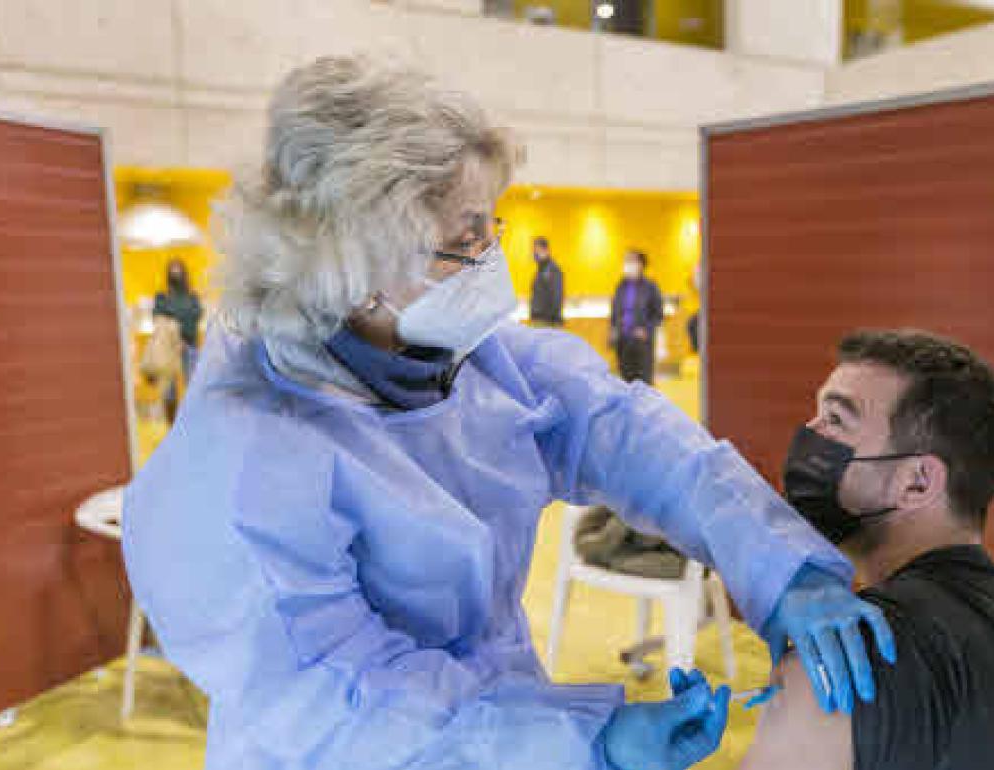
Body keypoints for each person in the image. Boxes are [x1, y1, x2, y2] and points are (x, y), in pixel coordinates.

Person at [121, 55, 894, 770]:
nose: (492, 260)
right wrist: (585, 738)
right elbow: (349, 705)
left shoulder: (472, 361)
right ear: (357, 269)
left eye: (491, 226)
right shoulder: (246, 464)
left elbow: (637, 440)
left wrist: (786, 570)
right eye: (464, 240)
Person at [741, 329, 994, 770]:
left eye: (837, 420)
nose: (809, 434)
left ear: (917, 482)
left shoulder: (836, 667)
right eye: (817, 415)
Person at [153, 258, 203, 422]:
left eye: (178, 270)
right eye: (172, 270)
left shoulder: (192, 296)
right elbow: (158, 317)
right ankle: (171, 424)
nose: (176, 273)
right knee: (169, 390)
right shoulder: (162, 297)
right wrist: (178, 328)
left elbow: (196, 315)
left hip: (190, 345)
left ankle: (195, 422)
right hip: (169, 348)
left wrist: (174, 316)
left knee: (194, 385)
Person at [610, 249, 663, 384]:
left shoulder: (651, 287)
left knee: (643, 382)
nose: (626, 264)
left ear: (640, 264)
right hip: (623, 341)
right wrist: (613, 330)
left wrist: (647, 330)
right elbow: (615, 310)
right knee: (625, 381)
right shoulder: (620, 286)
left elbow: (658, 315)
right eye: (626, 261)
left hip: (641, 341)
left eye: (630, 261)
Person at [529, 235, 565, 326]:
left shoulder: (552, 270)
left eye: (536, 250)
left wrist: (552, 321)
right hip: (539, 320)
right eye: (533, 251)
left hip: (547, 321)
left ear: (546, 250)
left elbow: (557, 296)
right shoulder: (541, 270)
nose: (533, 253)